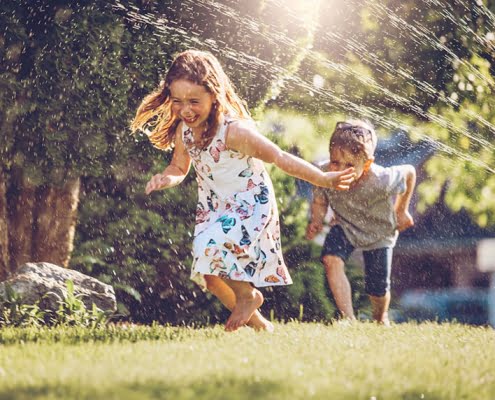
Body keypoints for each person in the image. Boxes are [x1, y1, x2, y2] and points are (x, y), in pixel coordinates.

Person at [131, 49, 355, 332]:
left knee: (209, 249)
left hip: (250, 203)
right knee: (210, 278)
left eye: (194, 101)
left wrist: (323, 178)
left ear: (214, 96)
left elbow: (279, 157)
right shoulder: (184, 132)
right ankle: (261, 326)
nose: (185, 110)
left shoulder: (234, 132)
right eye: (177, 101)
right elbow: (179, 167)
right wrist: (166, 178)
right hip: (214, 207)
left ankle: (248, 295)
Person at [306, 120, 416, 325]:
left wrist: (401, 210)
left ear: (366, 165)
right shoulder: (324, 174)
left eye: (349, 165)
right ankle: (348, 319)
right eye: (335, 162)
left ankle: (380, 317)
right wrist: (317, 220)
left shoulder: (382, 179)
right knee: (331, 259)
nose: (340, 170)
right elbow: (320, 199)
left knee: (377, 288)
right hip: (345, 226)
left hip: (379, 232)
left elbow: (410, 171)